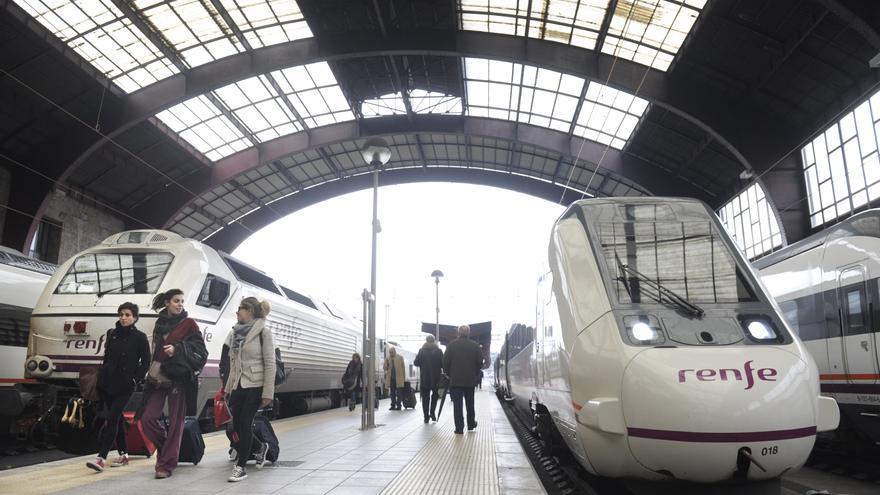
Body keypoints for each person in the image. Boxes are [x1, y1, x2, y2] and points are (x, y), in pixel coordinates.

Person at [140, 289, 207, 479]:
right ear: (167, 302)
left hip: (179, 378)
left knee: (176, 423)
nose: (180, 304)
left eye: (182, 301)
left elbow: (200, 350)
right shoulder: (160, 323)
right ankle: (167, 451)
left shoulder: (189, 324)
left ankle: (167, 465)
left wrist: (177, 349)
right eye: (176, 301)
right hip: (158, 378)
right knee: (147, 418)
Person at [86, 302, 151, 472]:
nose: (123, 318)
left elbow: (146, 362)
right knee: (118, 419)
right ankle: (124, 455)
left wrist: (135, 379)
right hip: (107, 383)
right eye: (121, 314)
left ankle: (101, 458)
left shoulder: (140, 337)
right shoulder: (112, 334)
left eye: (128, 315)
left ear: (135, 318)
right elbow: (107, 359)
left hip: (125, 385)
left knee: (112, 418)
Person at [221, 297, 276, 483]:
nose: (237, 313)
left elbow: (270, 363)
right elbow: (234, 364)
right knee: (234, 427)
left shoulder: (264, 333)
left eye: (240, 309)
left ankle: (241, 467)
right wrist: (227, 388)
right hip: (238, 385)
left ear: (250, 311)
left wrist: (268, 393)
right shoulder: (235, 333)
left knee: (245, 423)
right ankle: (260, 447)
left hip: (255, 385)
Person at [442, 325, 483, 434]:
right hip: (470, 380)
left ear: (458, 333)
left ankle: (459, 428)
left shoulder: (451, 345)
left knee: (457, 405)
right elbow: (480, 362)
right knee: (470, 404)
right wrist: (475, 373)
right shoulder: (475, 346)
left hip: (455, 381)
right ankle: (470, 425)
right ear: (468, 333)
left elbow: (445, 362)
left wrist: (449, 374)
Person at [413, 335, 443, 423]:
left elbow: (416, 362)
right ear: (434, 341)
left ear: (426, 341)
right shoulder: (439, 351)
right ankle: (432, 412)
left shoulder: (422, 351)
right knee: (435, 395)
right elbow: (443, 364)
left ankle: (426, 417)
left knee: (425, 397)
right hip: (436, 378)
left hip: (425, 378)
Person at [383, 346, 405, 410]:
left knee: (399, 393)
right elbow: (384, 368)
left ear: (395, 351)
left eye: (392, 352)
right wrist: (386, 362)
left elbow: (403, 368)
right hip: (391, 379)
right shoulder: (388, 358)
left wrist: (404, 377)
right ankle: (393, 405)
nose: (391, 353)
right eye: (390, 352)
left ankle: (399, 406)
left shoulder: (400, 357)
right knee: (392, 393)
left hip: (399, 378)